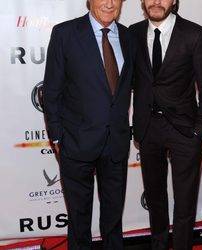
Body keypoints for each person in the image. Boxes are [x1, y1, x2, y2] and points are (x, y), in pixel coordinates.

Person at [43, 0, 135, 249]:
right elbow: (51, 91)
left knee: (113, 219)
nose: (109, 3)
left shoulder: (129, 36)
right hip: (76, 142)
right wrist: (57, 137)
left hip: (116, 143)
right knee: (79, 219)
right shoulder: (65, 34)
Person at [129, 0, 202, 249]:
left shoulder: (195, 34)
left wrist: (201, 130)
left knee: (185, 202)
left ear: (175, 1)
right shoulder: (132, 33)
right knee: (155, 198)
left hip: (185, 131)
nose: (156, 2)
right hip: (148, 129)